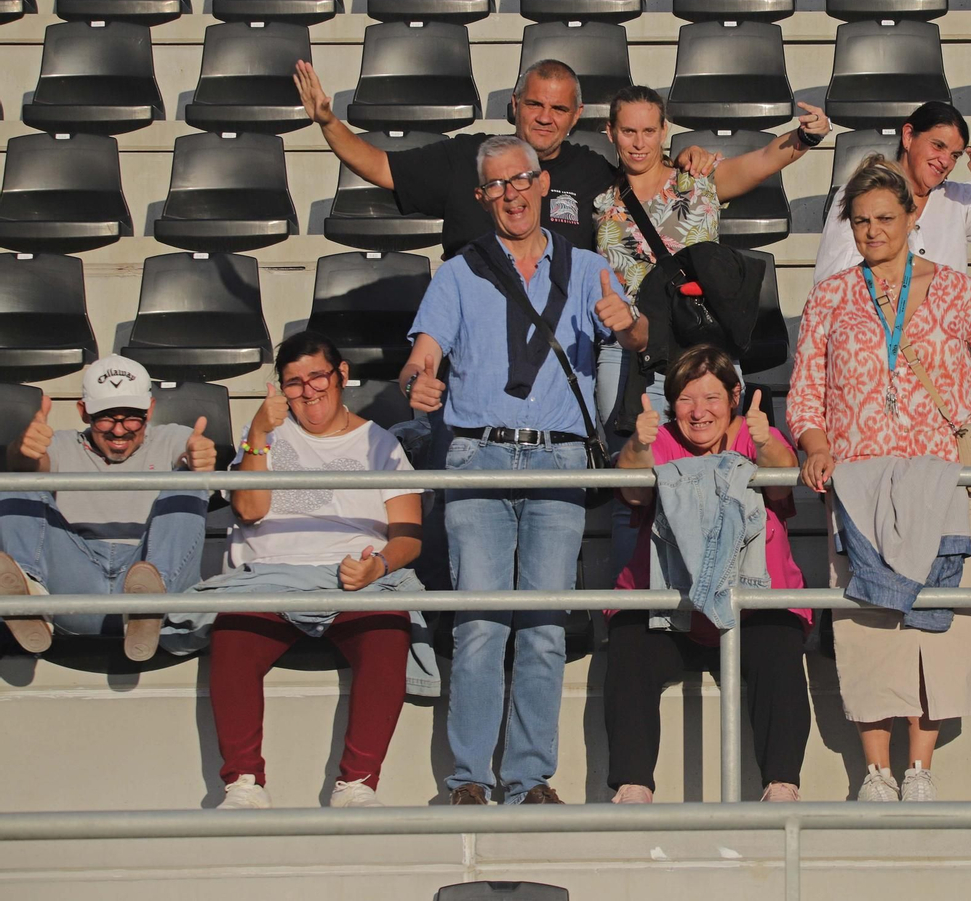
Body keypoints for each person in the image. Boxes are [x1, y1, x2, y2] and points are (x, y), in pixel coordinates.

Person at [401, 134, 647, 807]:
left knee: (542, 627)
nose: (512, 192)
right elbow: (421, 356)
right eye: (497, 184)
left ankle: (530, 776)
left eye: (523, 179)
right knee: (481, 623)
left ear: (544, 185)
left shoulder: (591, 263)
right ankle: (470, 779)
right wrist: (419, 381)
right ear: (483, 197)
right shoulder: (458, 270)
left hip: (559, 457)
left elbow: (637, 338)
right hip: (477, 455)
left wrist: (628, 324)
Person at [789, 155, 971, 802]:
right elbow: (806, 391)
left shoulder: (954, 289)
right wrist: (813, 444)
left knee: (938, 621)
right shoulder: (831, 295)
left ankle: (919, 765)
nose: (872, 232)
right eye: (860, 222)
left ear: (913, 216)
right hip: (859, 478)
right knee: (868, 625)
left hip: (940, 474)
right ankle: (876, 770)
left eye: (885, 218)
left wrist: (961, 405)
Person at [168, 332, 426, 810]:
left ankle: (358, 783)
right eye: (293, 384)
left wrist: (378, 568)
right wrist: (260, 436)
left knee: (389, 630)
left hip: (354, 580)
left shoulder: (382, 444)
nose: (308, 391)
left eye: (317, 377)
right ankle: (243, 783)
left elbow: (408, 536)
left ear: (342, 374)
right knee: (233, 634)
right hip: (271, 577)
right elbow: (247, 509)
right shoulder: (263, 439)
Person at [606, 345, 811, 804]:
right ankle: (633, 786)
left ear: (735, 396)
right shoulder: (657, 439)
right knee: (628, 643)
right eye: (685, 399)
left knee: (780, 645)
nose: (698, 412)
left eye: (712, 398)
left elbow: (783, 477)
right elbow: (632, 493)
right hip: (671, 605)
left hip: (750, 605)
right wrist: (637, 446)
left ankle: (781, 785)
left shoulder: (758, 436)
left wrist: (767, 443)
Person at [294, 58, 712, 256]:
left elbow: (647, 177)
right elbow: (380, 166)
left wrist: (682, 159)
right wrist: (329, 122)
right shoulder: (469, 155)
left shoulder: (591, 170)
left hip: (559, 342)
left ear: (576, 116)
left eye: (559, 109)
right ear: (514, 105)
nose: (545, 118)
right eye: (534, 105)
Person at [592, 84, 830, 422]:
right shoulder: (599, 200)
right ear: (610, 132)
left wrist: (807, 136)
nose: (639, 143)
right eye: (628, 131)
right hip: (630, 354)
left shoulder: (699, 181)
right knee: (630, 466)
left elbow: (764, 160)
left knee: (710, 465)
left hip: (702, 349)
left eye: (648, 131)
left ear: (664, 130)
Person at [0, 356, 214, 661]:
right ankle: (30, 600)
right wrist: (23, 449)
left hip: (148, 575)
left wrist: (200, 460)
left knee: (189, 479)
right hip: (76, 585)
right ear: (83, 412)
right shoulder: (62, 443)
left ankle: (149, 604)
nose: (119, 430)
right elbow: (29, 461)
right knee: (17, 482)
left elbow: (192, 454)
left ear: (150, 410)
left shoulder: (175, 438)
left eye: (132, 417)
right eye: (106, 417)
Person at [812, 102, 971, 283]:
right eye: (938, 146)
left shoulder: (958, 198)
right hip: (878, 335)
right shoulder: (859, 194)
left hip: (945, 337)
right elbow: (833, 280)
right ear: (909, 136)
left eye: (954, 155)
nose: (945, 161)